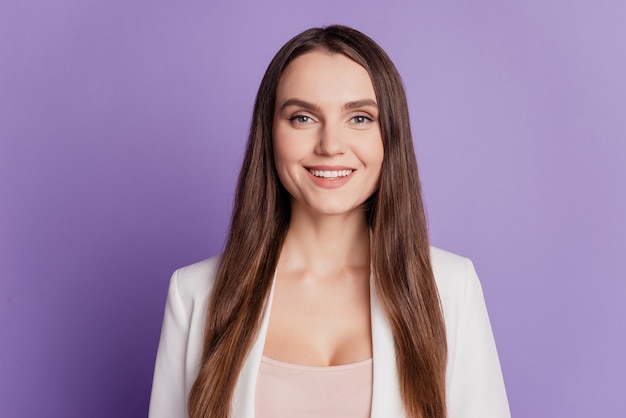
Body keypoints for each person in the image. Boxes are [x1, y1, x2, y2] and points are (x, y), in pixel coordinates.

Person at [149, 25, 510, 418]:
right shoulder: (195, 294)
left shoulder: (451, 288)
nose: (330, 145)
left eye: (359, 118)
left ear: (391, 136)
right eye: (303, 117)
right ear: (269, 134)